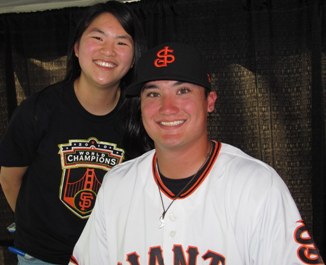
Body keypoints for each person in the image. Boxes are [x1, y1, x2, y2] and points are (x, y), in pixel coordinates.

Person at [69, 42, 324, 265]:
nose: (167, 108)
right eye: (153, 93)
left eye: (183, 91)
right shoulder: (117, 184)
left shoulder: (256, 185)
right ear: (141, 107)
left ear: (210, 101)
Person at [0, 1, 149, 264]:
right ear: (77, 48)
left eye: (122, 42)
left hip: (106, 255)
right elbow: (10, 179)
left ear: (134, 56)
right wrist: (38, 233)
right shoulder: (37, 110)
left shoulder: (142, 118)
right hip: (39, 256)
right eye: (97, 37)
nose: (108, 51)